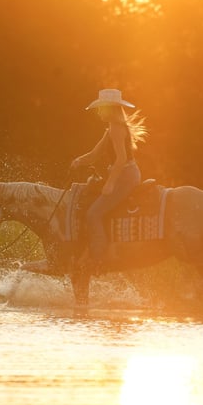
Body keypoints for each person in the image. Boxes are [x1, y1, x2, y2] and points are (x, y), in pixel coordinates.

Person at [70, 88, 147, 272]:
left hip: (125, 176)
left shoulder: (116, 128)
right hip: (125, 174)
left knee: (93, 214)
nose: (98, 112)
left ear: (109, 109)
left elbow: (121, 158)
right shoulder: (112, 128)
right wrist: (79, 161)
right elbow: (95, 154)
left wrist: (110, 183)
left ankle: (98, 259)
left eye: (101, 108)